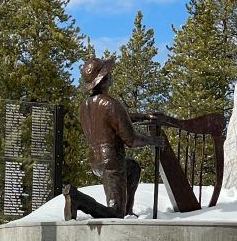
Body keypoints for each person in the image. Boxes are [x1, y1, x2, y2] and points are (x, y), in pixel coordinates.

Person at [63, 57, 163, 220]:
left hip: (96, 161)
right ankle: (78, 199)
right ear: (103, 79)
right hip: (111, 161)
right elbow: (131, 140)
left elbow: (112, 119)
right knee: (115, 213)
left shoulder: (84, 107)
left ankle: (128, 211)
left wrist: (143, 116)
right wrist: (153, 141)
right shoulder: (111, 104)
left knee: (133, 168)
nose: (111, 77)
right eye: (108, 74)